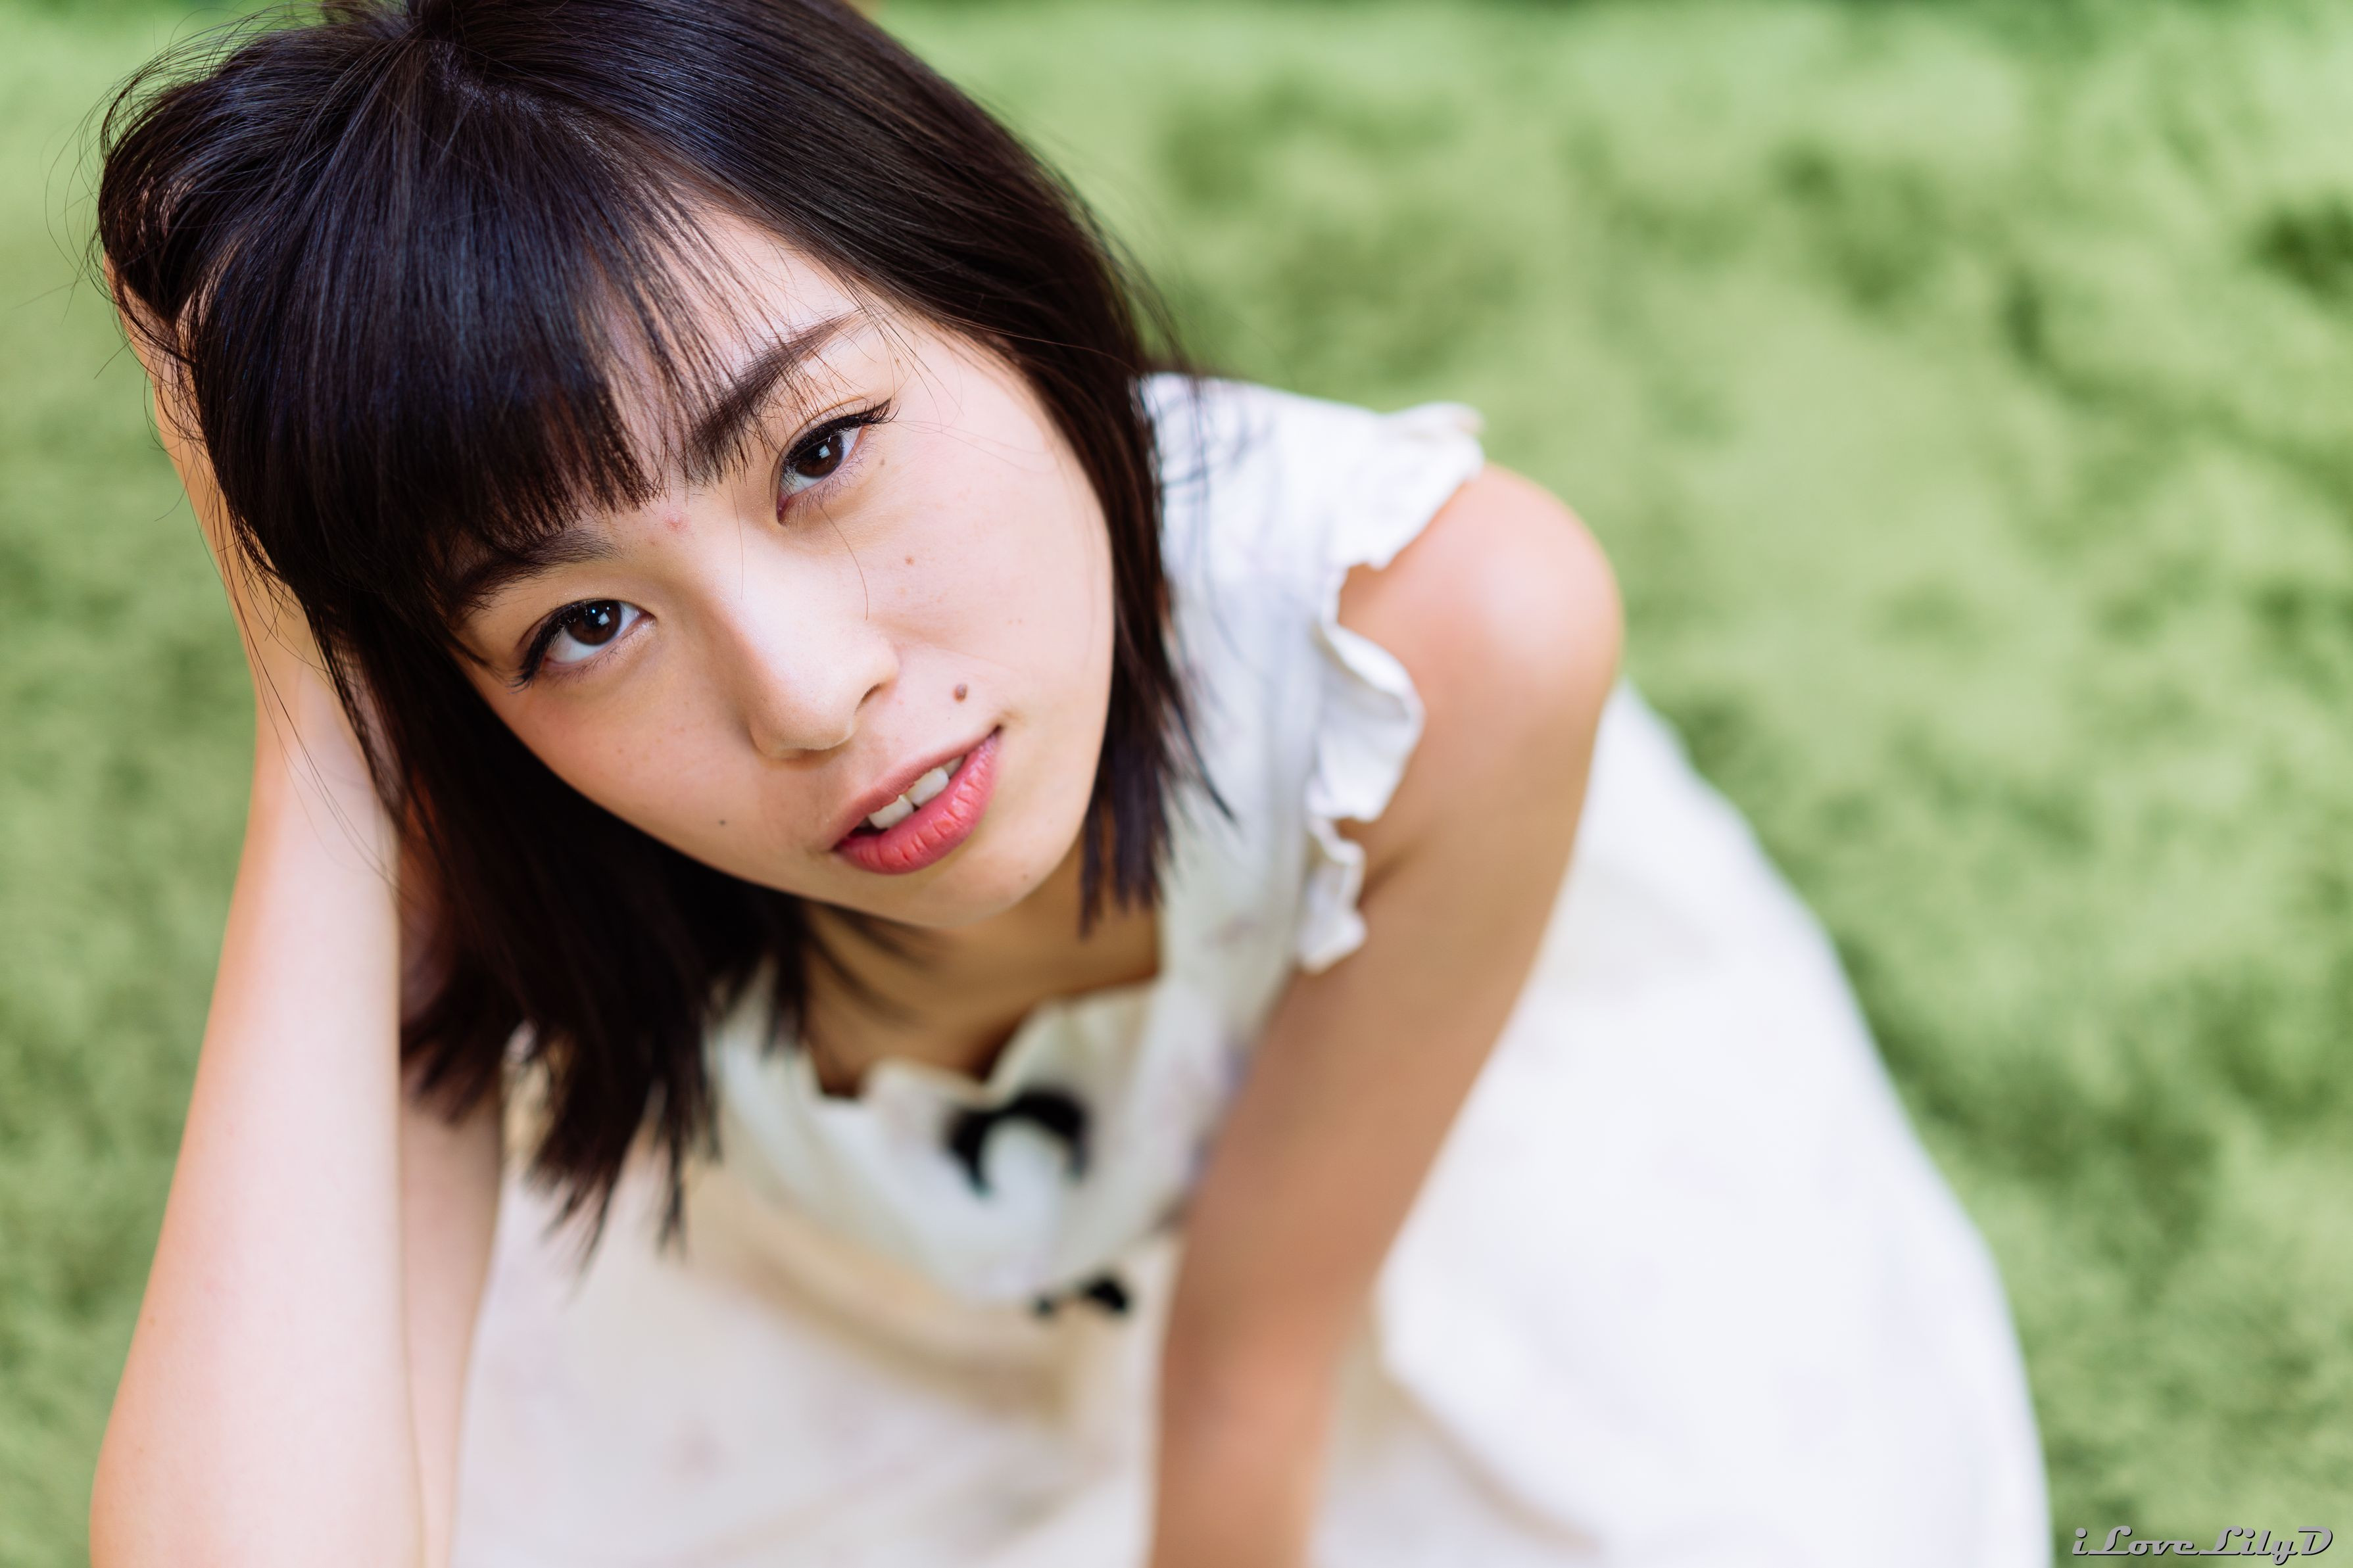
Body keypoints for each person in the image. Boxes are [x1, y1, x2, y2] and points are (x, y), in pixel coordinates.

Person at [85, 1, 2050, 1563]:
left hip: (1396, 1186)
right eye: (585, 622)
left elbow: (1253, 1370)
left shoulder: (1436, 644)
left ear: (991, 283)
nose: (810, 697)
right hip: (795, 1288)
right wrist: (316, 712)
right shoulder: (497, 798)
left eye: (822, 448)